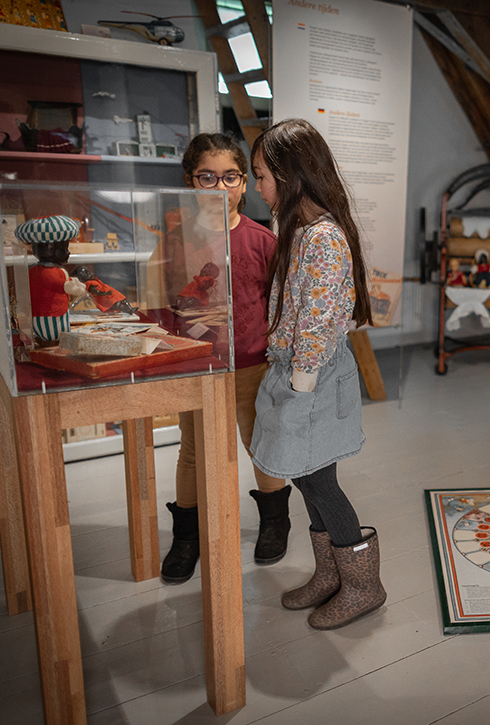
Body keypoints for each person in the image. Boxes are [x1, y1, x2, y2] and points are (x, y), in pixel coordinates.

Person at [250, 119, 386, 630]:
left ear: (290, 176)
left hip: (311, 377)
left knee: (318, 477)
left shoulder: (323, 238)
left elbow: (320, 317)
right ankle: (332, 574)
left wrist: (299, 383)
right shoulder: (305, 232)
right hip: (301, 372)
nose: (258, 187)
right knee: (308, 476)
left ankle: (363, 584)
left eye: (262, 176)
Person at [157, 133, 290, 584]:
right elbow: (160, 302)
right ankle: (187, 536)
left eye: (230, 176)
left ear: (244, 184)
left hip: (252, 363)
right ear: (189, 181)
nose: (219, 187)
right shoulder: (175, 241)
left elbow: (280, 304)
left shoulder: (261, 239)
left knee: (260, 444)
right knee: (193, 450)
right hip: (195, 365)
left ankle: (275, 521)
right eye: (207, 177)